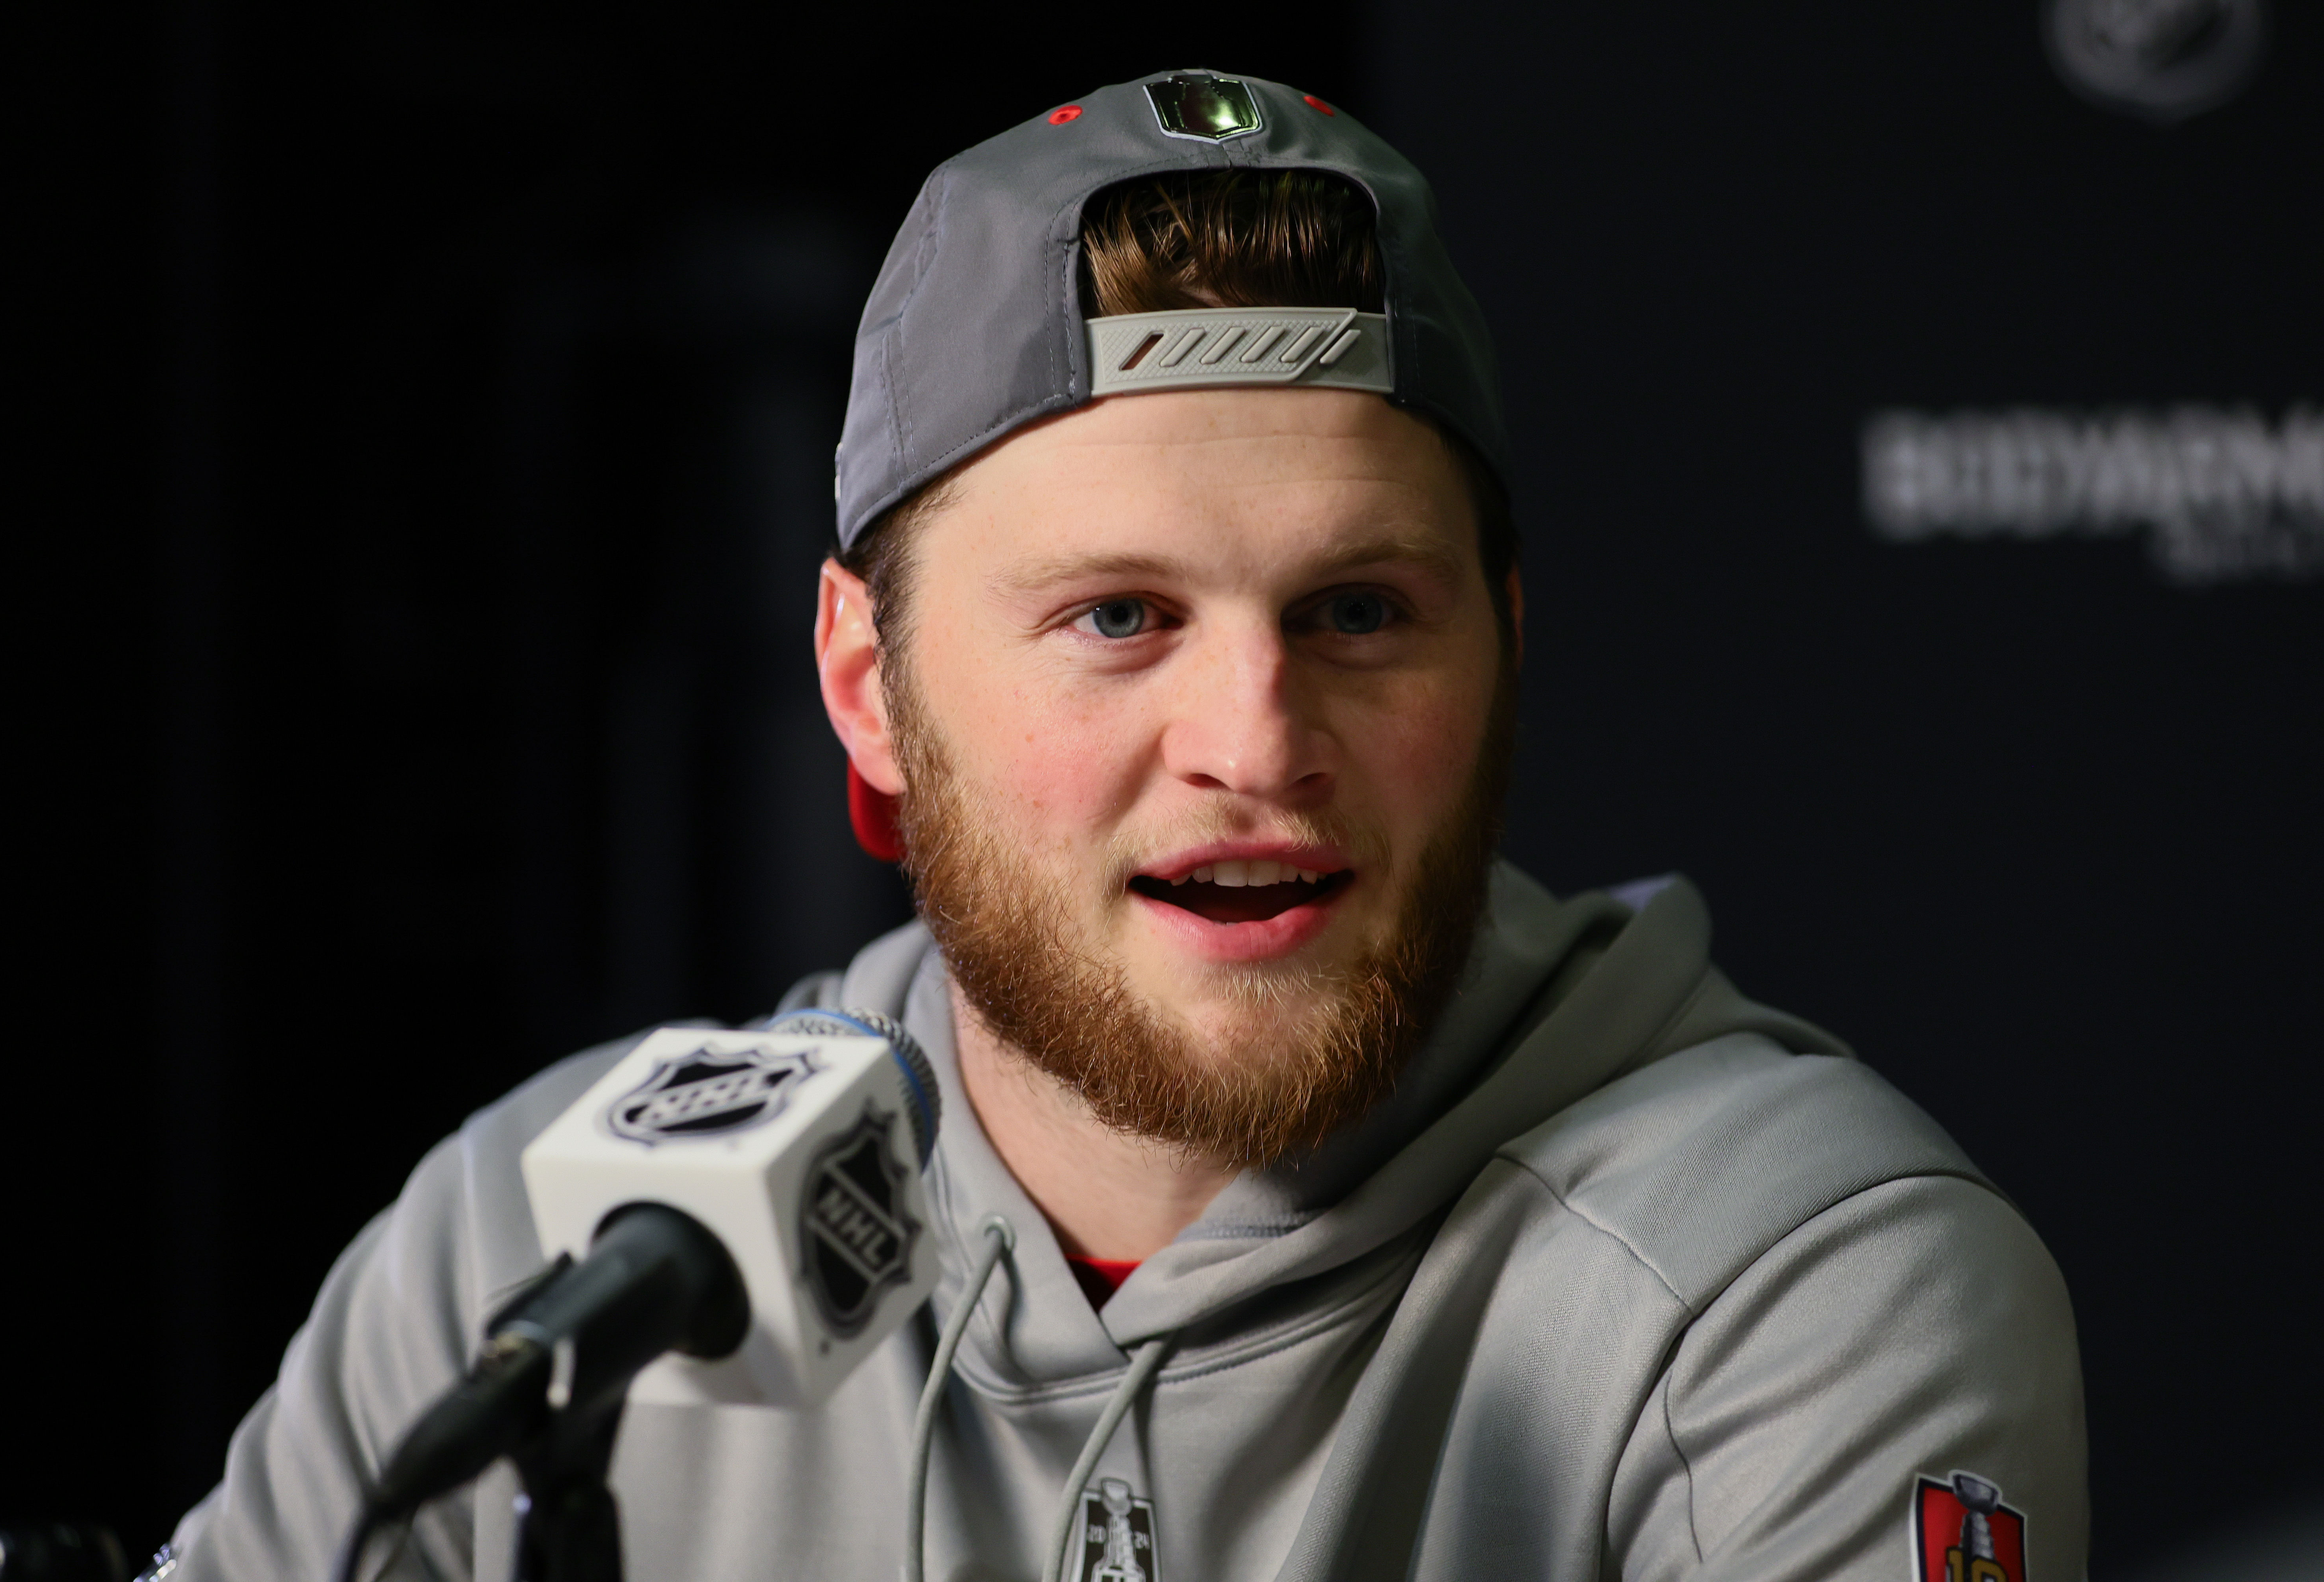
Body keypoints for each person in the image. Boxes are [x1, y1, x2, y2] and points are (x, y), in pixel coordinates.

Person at [157, 69, 2088, 1582]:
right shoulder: (551, 1253)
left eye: (1357, 613)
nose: (1255, 739)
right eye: (1118, 618)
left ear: (1503, 644)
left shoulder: (1790, 1283)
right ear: (866, 683)